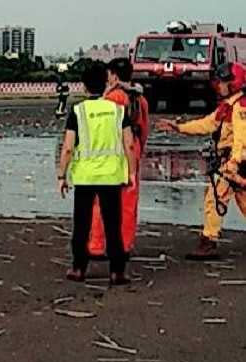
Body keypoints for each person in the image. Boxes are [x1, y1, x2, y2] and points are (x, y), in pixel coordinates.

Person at [57, 62, 137, 285]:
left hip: (84, 176)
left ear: (83, 87)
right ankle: (117, 271)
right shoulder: (118, 111)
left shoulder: (78, 111)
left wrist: (62, 176)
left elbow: (68, 147)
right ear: (106, 83)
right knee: (113, 224)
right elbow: (129, 144)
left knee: (81, 223)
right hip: (111, 176)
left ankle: (78, 268)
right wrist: (131, 172)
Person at [156, 62, 246, 259]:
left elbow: (241, 138)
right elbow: (208, 124)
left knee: (214, 199)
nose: (217, 86)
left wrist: (234, 163)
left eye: (221, 82)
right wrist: (179, 128)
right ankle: (208, 240)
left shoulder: (238, 108)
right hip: (234, 163)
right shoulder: (228, 107)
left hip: (234, 163)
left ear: (233, 83)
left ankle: (208, 241)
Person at [87, 58, 150, 258]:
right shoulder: (140, 99)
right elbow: (145, 129)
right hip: (133, 149)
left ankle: (97, 245)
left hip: (113, 151)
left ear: (112, 75)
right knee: (128, 202)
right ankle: (123, 246)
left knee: (102, 199)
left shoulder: (112, 98)